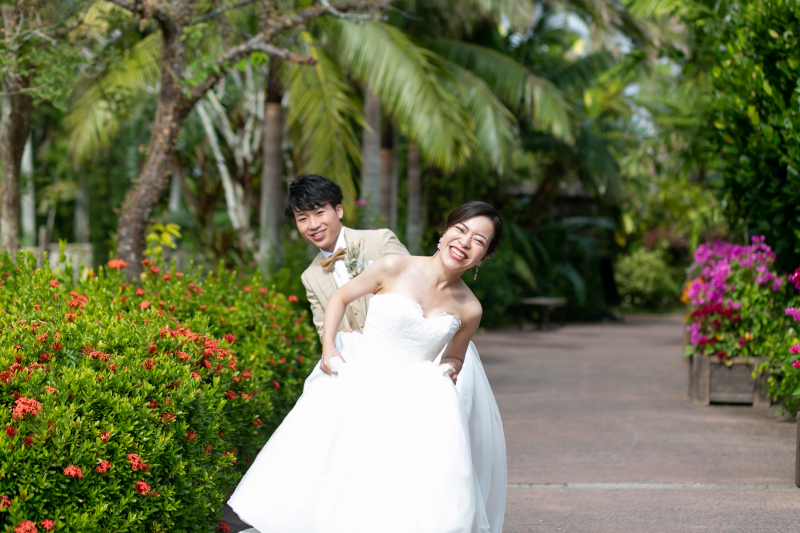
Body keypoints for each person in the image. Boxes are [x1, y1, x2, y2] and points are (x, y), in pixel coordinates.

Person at [229, 201, 507, 533]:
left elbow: (455, 356)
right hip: (362, 385)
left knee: (407, 489)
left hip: (419, 403)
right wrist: (328, 347)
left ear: (485, 256)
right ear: (444, 232)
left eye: (479, 240)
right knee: (343, 479)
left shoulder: (470, 309)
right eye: (460, 230)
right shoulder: (394, 266)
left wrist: (448, 368)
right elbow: (340, 298)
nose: (465, 242)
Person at [285, 174, 409, 339]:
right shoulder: (310, 277)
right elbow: (324, 333)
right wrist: (340, 340)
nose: (313, 225)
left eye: (320, 213)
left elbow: (418, 288)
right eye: (303, 219)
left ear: (339, 210)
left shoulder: (380, 241)